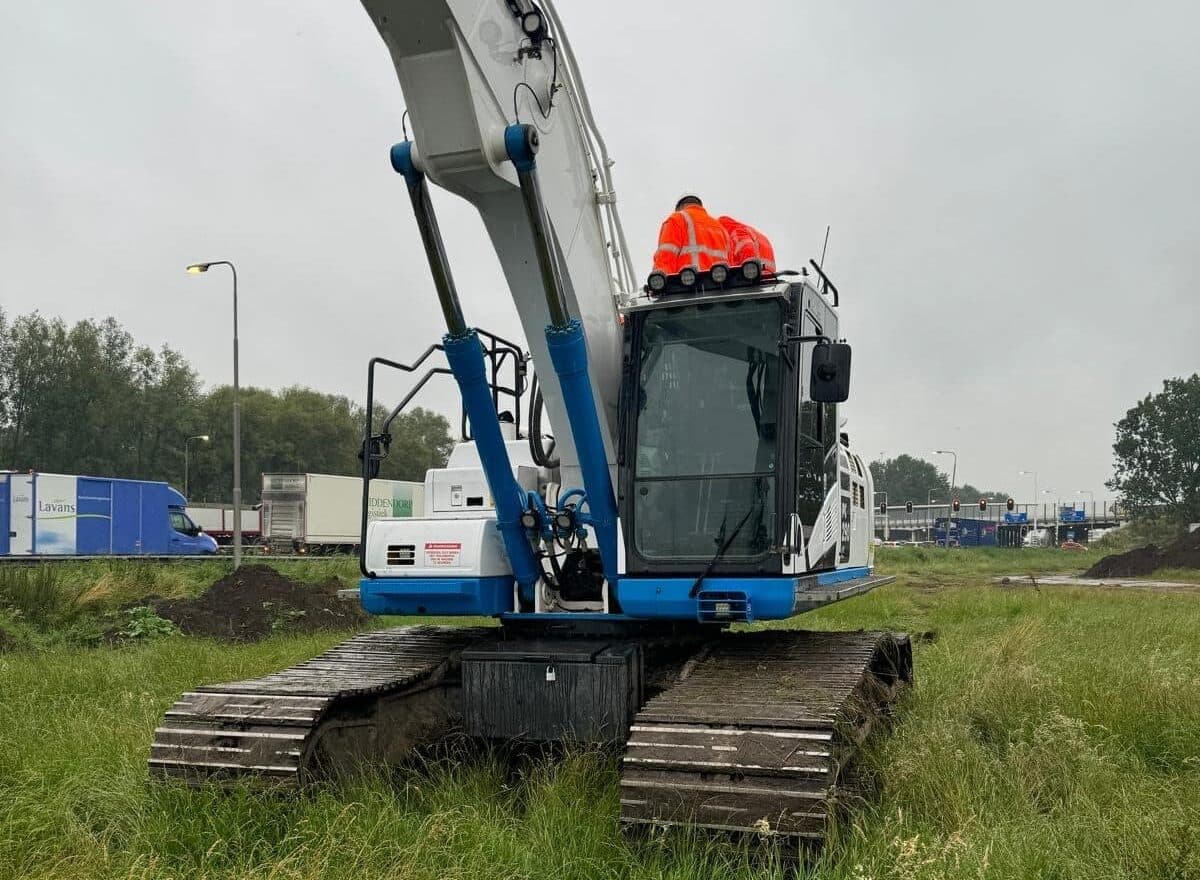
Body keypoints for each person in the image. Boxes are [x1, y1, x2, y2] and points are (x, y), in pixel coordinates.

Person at [652, 193, 731, 274]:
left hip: (688, 283)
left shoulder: (677, 218)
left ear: (679, 207)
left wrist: (659, 281)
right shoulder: (721, 227)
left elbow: (666, 256)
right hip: (721, 283)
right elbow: (730, 262)